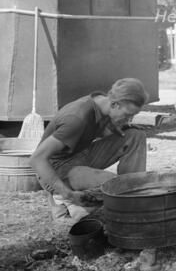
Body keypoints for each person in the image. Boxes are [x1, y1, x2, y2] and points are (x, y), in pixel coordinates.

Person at [30, 78, 149, 221]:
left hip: (79, 155)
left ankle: (131, 195)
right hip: (56, 169)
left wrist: (120, 126)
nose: (129, 119)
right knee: (113, 184)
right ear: (115, 104)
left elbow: (99, 129)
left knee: (135, 136)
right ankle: (64, 199)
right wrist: (66, 193)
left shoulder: (102, 103)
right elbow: (37, 159)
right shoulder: (76, 118)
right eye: (127, 115)